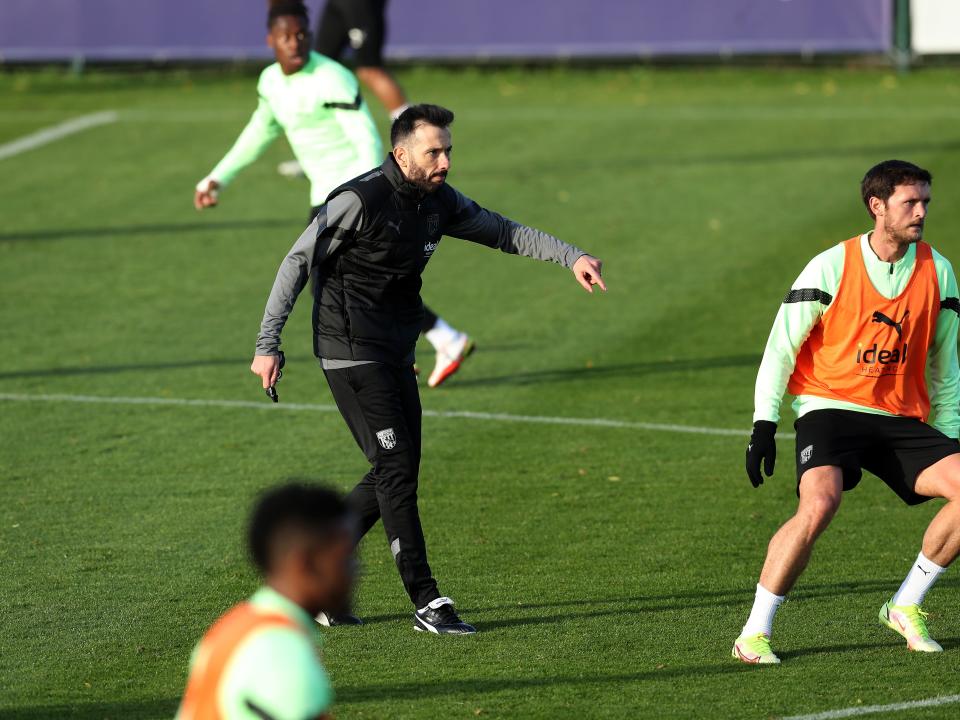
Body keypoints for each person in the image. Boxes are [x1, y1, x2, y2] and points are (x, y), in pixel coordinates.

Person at [249, 104, 606, 635]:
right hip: (349, 350)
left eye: (448, 152)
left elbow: (503, 231)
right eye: (433, 152)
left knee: (395, 470)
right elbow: (297, 261)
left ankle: (311, 577)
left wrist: (569, 255)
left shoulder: (438, 202)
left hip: (394, 351)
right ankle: (427, 601)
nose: (444, 162)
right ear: (401, 154)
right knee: (395, 472)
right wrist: (267, 343)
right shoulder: (358, 200)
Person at [734, 160, 960, 665]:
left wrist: (948, 435)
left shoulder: (938, 270)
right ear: (877, 206)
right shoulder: (830, 267)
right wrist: (764, 426)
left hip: (901, 417)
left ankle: (905, 604)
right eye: (910, 202)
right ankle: (754, 631)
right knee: (819, 504)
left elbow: (947, 363)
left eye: (925, 200)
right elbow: (781, 349)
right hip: (831, 407)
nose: (921, 211)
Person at [199, 1, 475, 388]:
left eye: (301, 35)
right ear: (270, 40)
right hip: (324, 196)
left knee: (340, 284)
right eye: (285, 37)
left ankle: (413, 347)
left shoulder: (333, 77)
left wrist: (374, 192)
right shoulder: (270, 83)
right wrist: (218, 177)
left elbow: (363, 134)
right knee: (344, 283)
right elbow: (260, 130)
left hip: (354, 196)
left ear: (310, 36)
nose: (294, 43)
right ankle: (440, 340)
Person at [175, 483, 355, 719]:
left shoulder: (237, 625)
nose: (356, 569)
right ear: (305, 563)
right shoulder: (282, 656)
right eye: (346, 557)